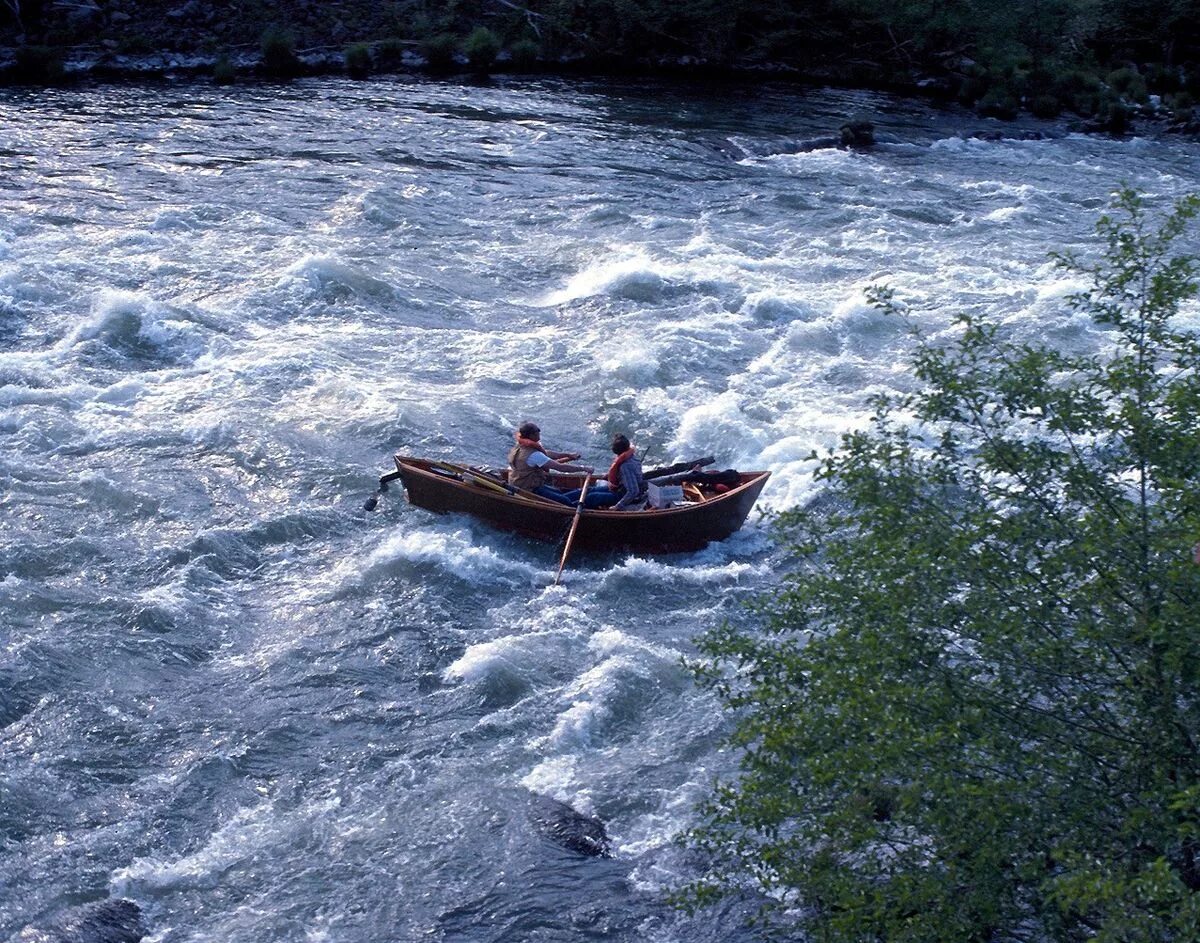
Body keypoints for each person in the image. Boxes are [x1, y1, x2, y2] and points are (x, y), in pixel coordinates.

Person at [508, 422, 614, 508]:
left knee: (564, 492)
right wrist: (584, 468)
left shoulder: (520, 447)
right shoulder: (533, 454)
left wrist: (568, 455)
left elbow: (547, 453)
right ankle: (588, 505)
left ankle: (610, 491)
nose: (539, 432)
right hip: (529, 490)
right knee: (565, 501)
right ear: (531, 435)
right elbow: (560, 468)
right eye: (537, 431)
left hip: (524, 484)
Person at [603, 433, 648, 511]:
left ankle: (575, 506)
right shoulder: (631, 456)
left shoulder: (625, 466)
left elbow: (633, 491)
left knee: (592, 497)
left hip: (622, 495)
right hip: (619, 488)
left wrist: (617, 506)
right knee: (590, 490)